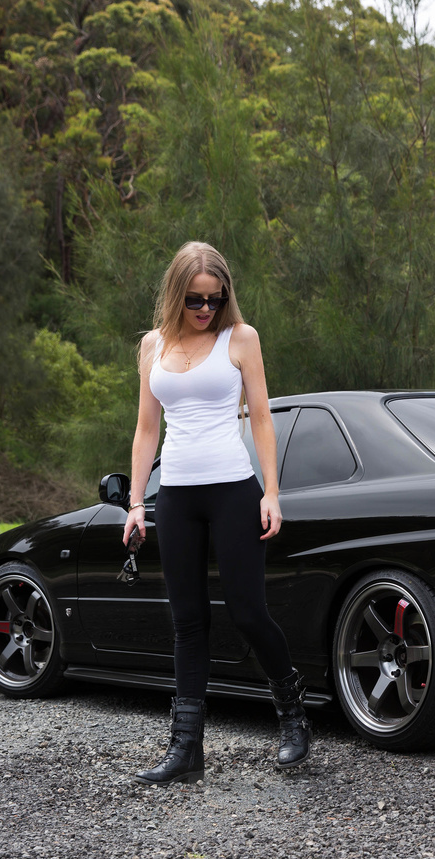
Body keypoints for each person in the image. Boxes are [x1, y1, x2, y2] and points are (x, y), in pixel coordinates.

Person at [124, 241, 311, 783]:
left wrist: (271, 492)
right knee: (187, 622)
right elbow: (145, 428)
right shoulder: (152, 346)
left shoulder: (241, 338)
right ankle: (186, 750)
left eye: (214, 299)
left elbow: (261, 420)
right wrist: (137, 502)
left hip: (233, 490)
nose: (206, 309)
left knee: (248, 611)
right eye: (195, 300)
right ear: (175, 295)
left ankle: (293, 715)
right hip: (177, 495)